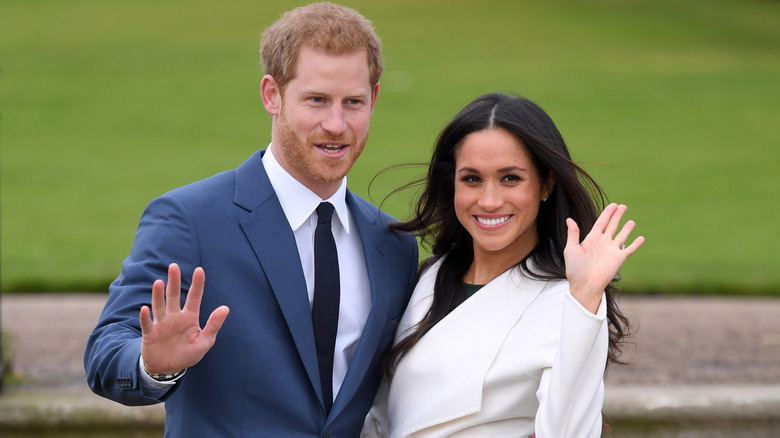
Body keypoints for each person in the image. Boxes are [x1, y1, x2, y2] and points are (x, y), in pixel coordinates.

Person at [84, 3, 419, 437]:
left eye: (352, 102)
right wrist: (152, 366)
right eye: (316, 100)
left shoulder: (392, 244)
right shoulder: (189, 219)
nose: (336, 125)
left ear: (373, 99)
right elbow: (106, 354)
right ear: (272, 95)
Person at [361, 93, 645, 437]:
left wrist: (585, 298)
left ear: (546, 184)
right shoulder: (430, 277)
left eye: (510, 178)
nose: (490, 200)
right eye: (472, 179)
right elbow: (379, 415)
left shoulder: (568, 302)